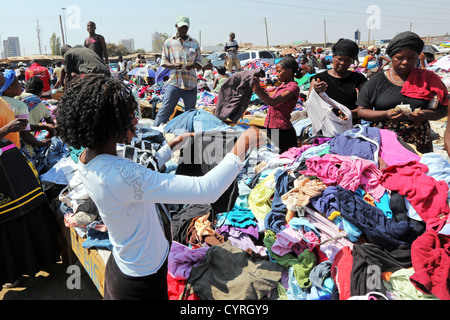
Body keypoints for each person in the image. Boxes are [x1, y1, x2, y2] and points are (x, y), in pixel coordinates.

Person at [55, 73, 263, 300]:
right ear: (109, 122)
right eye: (129, 115)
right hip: (141, 283)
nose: (136, 120)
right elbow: (207, 189)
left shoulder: (89, 158)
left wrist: (169, 148)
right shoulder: (120, 174)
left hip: (126, 266)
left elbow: (137, 180)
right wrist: (244, 143)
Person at [356, 31, 448, 154]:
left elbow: (444, 109)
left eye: (411, 58)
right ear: (391, 57)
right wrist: (386, 114)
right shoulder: (377, 81)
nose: (405, 62)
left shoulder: (428, 79)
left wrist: (424, 114)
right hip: (385, 142)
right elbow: (361, 111)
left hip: (419, 142)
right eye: (399, 58)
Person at [154, 15, 202, 127]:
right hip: (175, 82)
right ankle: (155, 132)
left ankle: (189, 136)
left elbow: (199, 62)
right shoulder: (169, 43)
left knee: (190, 113)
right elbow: (164, 62)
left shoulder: (194, 43)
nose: (184, 30)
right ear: (176, 26)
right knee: (165, 111)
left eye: (186, 27)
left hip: (190, 84)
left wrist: (193, 65)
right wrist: (173, 66)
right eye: (181, 27)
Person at [251, 57, 301, 153]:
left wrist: (257, 90)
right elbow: (269, 98)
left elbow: (272, 102)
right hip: (272, 127)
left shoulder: (293, 87)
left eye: (279, 71)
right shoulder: (282, 86)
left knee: (284, 158)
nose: (276, 75)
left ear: (289, 71)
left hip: (282, 130)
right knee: (275, 156)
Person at [309, 38, 367, 122]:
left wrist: (350, 114)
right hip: (327, 124)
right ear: (333, 57)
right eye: (340, 59)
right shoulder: (319, 79)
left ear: (352, 61)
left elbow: (365, 105)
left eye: (347, 60)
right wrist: (316, 91)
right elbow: (310, 103)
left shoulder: (358, 79)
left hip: (350, 124)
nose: (343, 63)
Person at [0, 70, 51, 153]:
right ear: (8, 87)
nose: (21, 84)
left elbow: (19, 126)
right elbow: (25, 134)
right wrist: (40, 144)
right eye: (17, 82)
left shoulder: (3, 101)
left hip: (6, 150)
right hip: (10, 152)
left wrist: (43, 126)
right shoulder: (20, 105)